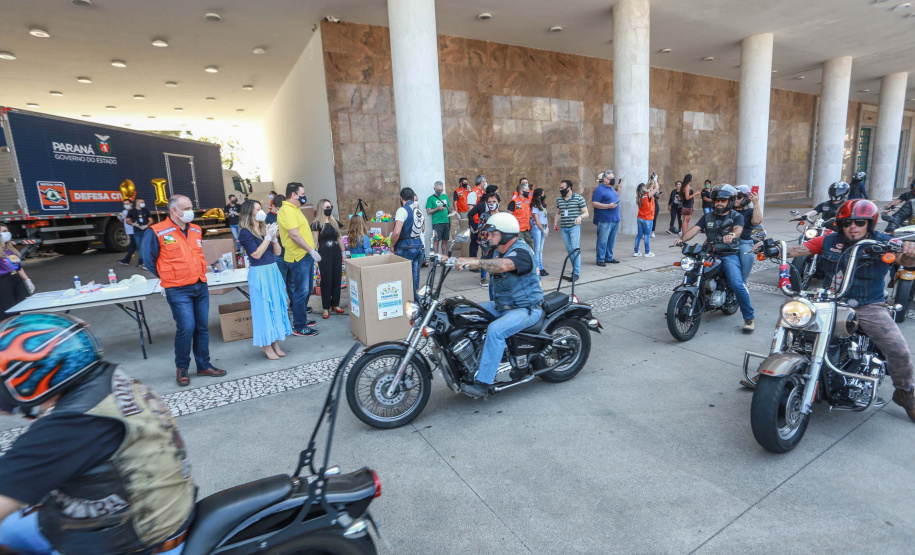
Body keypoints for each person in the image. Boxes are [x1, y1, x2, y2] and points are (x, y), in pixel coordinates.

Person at [0, 313, 194, 555]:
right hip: (157, 514)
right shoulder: (108, 377)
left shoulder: (71, 426)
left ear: (27, 376)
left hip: (131, 541)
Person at [752, 199, 915, 421]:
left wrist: (909, 252)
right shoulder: (829, 241)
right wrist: (775, 247)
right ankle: (774, 375)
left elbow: (904, 258)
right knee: (795, 323)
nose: (853, 226)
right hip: (830, 300)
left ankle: (904, 391)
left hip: (868, 304)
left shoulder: (885, 242)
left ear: (870, 223)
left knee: (898, 349)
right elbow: (800, 249)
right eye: (847, 222)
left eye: (859, 222)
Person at [454, 213, 544, 397]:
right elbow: (481, 265)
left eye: (492, 233)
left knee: (496, 330)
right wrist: (447, 260)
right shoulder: (497, 250)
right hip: (503, 305)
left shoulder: (521, 252)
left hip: (526, 308)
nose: (488, 236)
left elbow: (502, 266)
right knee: (465, 312)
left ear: (506, 234)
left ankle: (484, 383)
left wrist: (474, 261)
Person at [142, 194, 227, 385]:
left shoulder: (196, 229)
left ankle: (204, 365)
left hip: (200, 285)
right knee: (187, 327)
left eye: (191, 207)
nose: (191, 211)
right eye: (186, 208)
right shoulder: (156, 231)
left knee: (202, 327)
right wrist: (169, 276)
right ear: (174, 210)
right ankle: (182, 368)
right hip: (178, 289)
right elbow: (148, 260)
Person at [674, 184, 755, 333]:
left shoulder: (736, 216)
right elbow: (695, 229)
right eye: (717, 200)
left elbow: (738, 229)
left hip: (728, 254)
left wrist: (732, 235)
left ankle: (749, 317)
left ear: (730, 201)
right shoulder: (708, 216)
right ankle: (679, 307)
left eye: (723, 200)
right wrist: (682, 239)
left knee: (737, 284)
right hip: (710, 253)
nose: (719, 203)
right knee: (691, 276)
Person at [238, 200, 291, 360]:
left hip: (272, 270)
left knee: (275, 306)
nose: (262, 212)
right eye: (258, 209)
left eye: (261, 209)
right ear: (250, 212)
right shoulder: (245, 232)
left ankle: (274, 342)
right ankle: (266, 345)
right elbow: (255, 254)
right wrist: (268, 237)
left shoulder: (262, 228)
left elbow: (277, 252)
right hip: (259, 273)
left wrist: (273, 239)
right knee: (263, 309)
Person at [278, 182, 320, 337]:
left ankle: (300, 318)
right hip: (299, 256)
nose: (304, 196)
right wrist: (310, 250)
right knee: (301, 291)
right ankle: (299, 325)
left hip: (305, 256)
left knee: (306, 289)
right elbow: (294, 235)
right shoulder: (287, 211)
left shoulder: (294, 209)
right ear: (293, 195)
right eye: (302, 194)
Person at [311, 199, 346, 320]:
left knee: (337, 278)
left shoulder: (335, 222)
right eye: (327, 207)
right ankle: (325, 307)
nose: (329, 209)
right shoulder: (316, 224)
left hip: (336, 253)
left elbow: (340, 238)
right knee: (326, 280)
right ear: (321, 208)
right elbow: (315, 242)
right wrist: (314, 254)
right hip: (324, 254)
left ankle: (335, 304)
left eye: (330, 207)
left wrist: (344, 253)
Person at [390, 187, 425, 302]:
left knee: (404, 277)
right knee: (415, 276)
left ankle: (411, 302)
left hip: (406, 246)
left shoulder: (402, 210)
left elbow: (396, 232)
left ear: (401, 198)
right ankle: (416, 301)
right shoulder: (418, 210)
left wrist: (391, 244)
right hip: (418, 245)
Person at [553, 179, 588, 282]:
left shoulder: (578, 198)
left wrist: (580, 217)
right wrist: (555, 223)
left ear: (569, 188)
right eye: (560, 188)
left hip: (574, 227)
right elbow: (558, 212)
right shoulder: (559, 199)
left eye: (562, 188)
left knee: (575, 248)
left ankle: (576, 272)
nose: (560, 190)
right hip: (564, 227)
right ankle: (575, 268)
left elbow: (586, 213)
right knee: (569, 250)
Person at [265, 193, 294, 303]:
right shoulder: (270, 217)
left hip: (290, 252)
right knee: (281, 283)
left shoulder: (288, 214)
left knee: (292, 283)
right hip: (279, 255)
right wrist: (285, 229)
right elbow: (272, 235)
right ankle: (283, 306)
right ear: (276, 207)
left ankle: (295, 306)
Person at [0, 225, 33, 317]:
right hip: (3, 281)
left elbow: (18, 267)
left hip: (16, 279)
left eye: (7, 231)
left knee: (25, 303)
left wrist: (27, 280)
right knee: (8, 308)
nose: (7, 233)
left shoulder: (11, 249)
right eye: (4, 231)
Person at [470, 192, 502, 289]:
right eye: (489, 202)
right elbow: (481, 229)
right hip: (487, 242)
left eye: (494, 201)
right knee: (485, 258)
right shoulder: (484, 215)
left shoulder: (503, 215)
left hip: (501, 243)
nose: (491, 204)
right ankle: (483, 277)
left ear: (499, 202)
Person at [592, 169, 621, 266]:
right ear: (605, 179)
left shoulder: (611, 188)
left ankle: (609, 257)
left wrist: (619, 189)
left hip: (615, 218)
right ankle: (600, 259)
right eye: (611, 178)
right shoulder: (599, 190)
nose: (613, 180)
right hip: (604, 219)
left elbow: (615, 197)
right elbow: (594, 203)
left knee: (611, 240)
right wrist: (608, 206)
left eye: (613, 178)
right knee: (602, 240)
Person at [734, 185, 763, 284]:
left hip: (743, 242)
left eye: (738, 197)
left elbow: (756, 222)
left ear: (746, 198)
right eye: (734, 197)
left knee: (747, 255)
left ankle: (742, 283)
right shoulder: (727, 210)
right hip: (725, 241)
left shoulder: (750, 211)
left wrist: (756, 203)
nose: (735, 200)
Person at [467, 183, 499, 264]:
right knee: (474, 245)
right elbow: (470, 214)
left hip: (491, 232)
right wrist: (475, 227)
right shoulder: (481, 204)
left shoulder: (497, 206)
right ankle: (473, 264)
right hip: (480, 229)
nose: (492, 203)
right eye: (496, 192)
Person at [119, 197, 151, 267]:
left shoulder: (133, 211)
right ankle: (129, 260)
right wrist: (120, 217)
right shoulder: (124, 211)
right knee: (134, 246)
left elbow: (136, 221)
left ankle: (139, 261)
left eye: (127, 203)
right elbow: (124, 221)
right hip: (129, 231)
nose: (126, 205)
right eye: (124, 204)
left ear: (131, 204)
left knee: (137, 246)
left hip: (135, 231)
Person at [507, 178, 534, 248]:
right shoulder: (514, 202)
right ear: (521, 192)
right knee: (520, 247)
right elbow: (509, 216)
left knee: (530, 247)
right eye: (526, 191)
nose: (528, 192)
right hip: (518, 230)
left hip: (527, 229)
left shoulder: (526, 202)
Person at [634, 180, 659, 257]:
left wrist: (651, 183)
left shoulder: (640, 197)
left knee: (639, 235)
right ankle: (647, 252)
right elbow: (657, 188)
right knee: (647, 236)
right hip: (648, 218)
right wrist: (655, 180)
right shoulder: (648, 195)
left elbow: (650, 189)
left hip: (640, 217)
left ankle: (636, 251)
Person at [426, 181, 451, 256]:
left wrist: (452, 211)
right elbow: (428, 211)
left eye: (441, 190)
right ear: (434, 189)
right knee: (436, 240)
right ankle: (436, 258)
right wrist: (437, 208)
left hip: (446, 221)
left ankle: (443, 257)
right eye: (438, 190)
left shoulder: (445, 197)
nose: (440, 192)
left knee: (445, 241)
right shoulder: (430, 198)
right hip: (437, 223)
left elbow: (449, 207)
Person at [530, 188, 549, 276]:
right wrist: (543, 229)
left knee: (540, 249)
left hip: (543, 226)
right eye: (543, 193)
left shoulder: (542, 205)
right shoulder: (535, 206)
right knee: (537, 249)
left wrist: (547, 227)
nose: (544, 195)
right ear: (539, 195)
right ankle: (537, 268)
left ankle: (541, 267)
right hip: (537, 228)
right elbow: (537, 220)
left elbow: (545, 217)